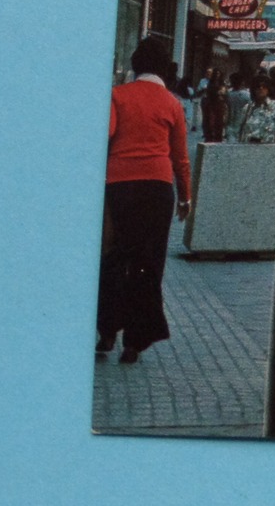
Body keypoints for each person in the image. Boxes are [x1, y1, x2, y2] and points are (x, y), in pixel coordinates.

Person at [98, 37, 193, 364]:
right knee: (147, 263)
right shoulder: (172, 104)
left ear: (135, 65)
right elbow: (181, 158)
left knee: (114, 257)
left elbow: (105, 136)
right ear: (165, 69)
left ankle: (106, 330)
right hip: (157, 188)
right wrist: (186, 197)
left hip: (119, 186)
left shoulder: (117, 96)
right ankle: (134, 343)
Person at [238, 73, 275, 144]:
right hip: (249, 149)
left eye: (264, 86)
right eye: (258, 86)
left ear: (268, 89)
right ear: (253, 90)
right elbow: (239, 130)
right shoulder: (247, 108)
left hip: (268, 149)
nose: (261, 88)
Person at [200, 68, 228, 142]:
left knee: (219, 121)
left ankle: (218, 137)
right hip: (211, 104)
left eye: (219, 73)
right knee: (209, 121)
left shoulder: (222, 83)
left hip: (219, 104)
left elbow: (223, 93)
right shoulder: (210, 83)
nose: (217, 75)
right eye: (216, 73)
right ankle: (209, 136)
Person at [225, 72, 252, 141]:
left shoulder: (228, 94)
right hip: (243, 125)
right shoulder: (247, 95)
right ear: (242, 82)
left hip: (231, 124)